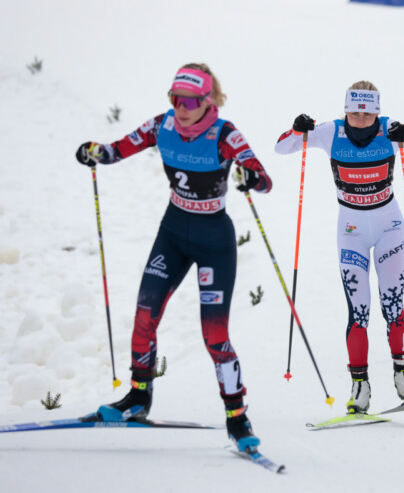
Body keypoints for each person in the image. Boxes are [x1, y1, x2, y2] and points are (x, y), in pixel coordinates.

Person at [75, 63, 272, 452]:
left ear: (209, 100)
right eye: (175, 99)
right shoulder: (160, 126)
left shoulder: (225, 134)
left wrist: (250, 178)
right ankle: (137, 398)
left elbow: (263, 178)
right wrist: (94, 151)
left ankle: (237, 416)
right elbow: (116, 150)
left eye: (191, 101)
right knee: (144, 313)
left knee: (214, 334)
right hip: (173, 232)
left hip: (213, 240)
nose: (181, 108)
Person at [274, 81, 404, 413]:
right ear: (346, 109)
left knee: (393, 305)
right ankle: (360, 386)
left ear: (377, 111)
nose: (361, 118)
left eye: (367, 112)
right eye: (354, 111)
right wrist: (296, 129)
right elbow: (282, 148)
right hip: (350, 231)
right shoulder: (329, 132)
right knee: (359, 311)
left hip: (389, 228)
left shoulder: (390, 130)